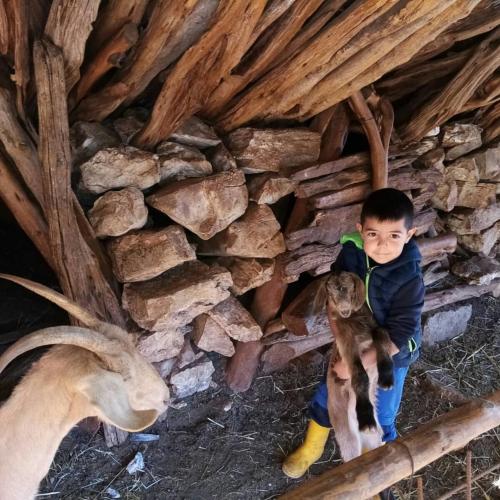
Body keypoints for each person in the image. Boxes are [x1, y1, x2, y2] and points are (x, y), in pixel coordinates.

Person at [282, 188, 425, 482]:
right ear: (360, 230)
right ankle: (312, 448)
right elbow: (336, 297)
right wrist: (344, 349)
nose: (382, 246)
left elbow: (400, 333)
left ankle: (383, 473)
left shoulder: (409, 277)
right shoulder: (351, 252)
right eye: (373, 235)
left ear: (410, 234)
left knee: (380, 414)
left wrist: (359, 364)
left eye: (394, 236)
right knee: (327, 398)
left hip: (391, 354)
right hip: (352, 339)